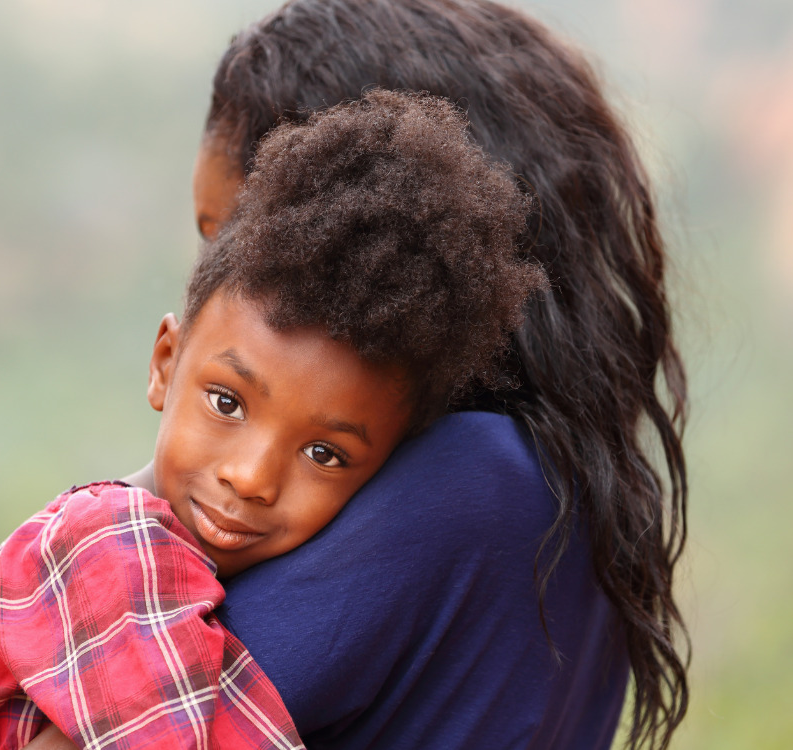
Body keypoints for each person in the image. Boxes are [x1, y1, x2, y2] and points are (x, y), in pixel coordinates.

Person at [0, 90, 546, 750]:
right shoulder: (109, 550)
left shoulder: (185, 573)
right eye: (226, 403)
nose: (250, 476)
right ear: (164, 363)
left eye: (324, 454)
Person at [193, 2, 689, 749]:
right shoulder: (570, 491)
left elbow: (119, 709)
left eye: (235, 239)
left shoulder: (470, 481)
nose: (207, 286)